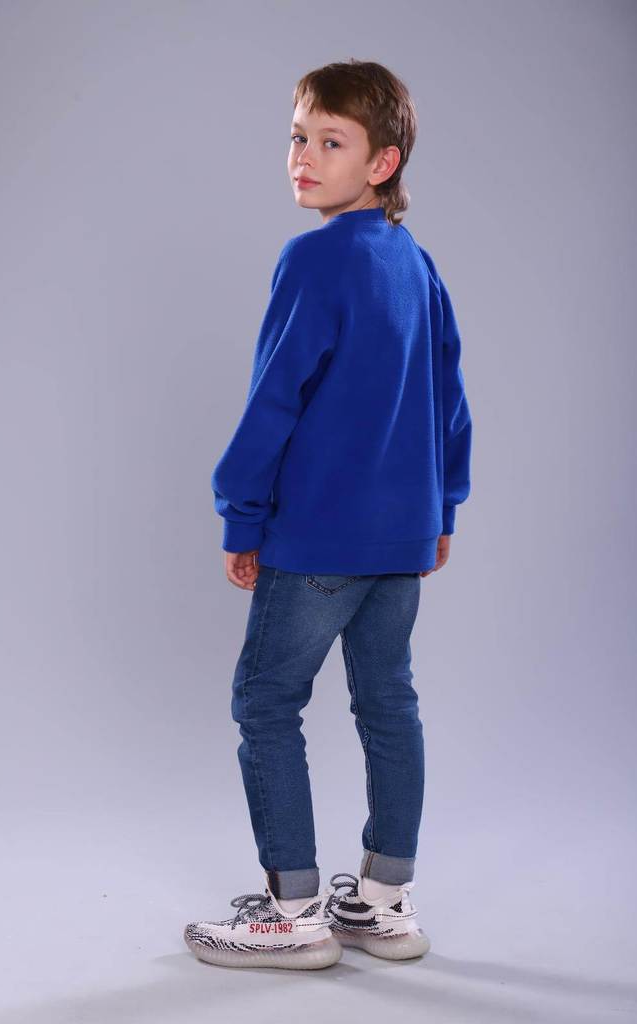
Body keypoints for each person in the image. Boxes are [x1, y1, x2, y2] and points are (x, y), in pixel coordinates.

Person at [184, 58, 472, 970]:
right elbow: (450, 402)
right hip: (401, 539)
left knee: (266, 702)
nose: (303, 157)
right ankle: (384, 904)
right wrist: (442, 509)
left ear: (382, 163)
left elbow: (276, 399)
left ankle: (293, 912)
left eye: (330, 141)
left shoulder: (313, 258)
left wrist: (241, 515)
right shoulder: (416, 264)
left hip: (316, 538)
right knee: (389, 704)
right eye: (297, 136)